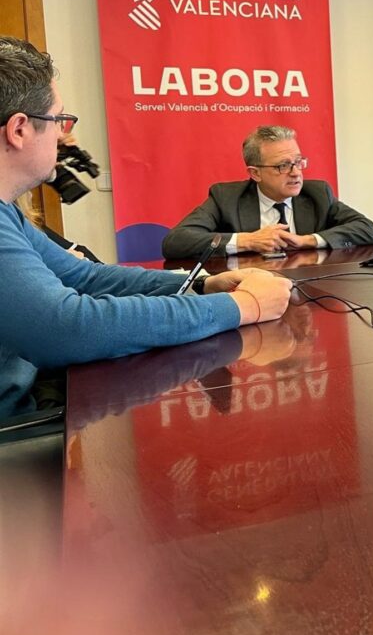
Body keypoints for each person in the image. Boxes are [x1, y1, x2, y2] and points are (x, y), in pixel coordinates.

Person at [0, 36, 293, 420]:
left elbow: (86, 277)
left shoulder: (8, 212)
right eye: (59, 120)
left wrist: (201, 285)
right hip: (17, 435)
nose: (62, 134)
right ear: (19, 129)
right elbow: (68, 328)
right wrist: (242, 307)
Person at [161, 125, 373, 259]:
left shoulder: (317, 193)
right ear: (255, 173)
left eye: (298, 162)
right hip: (250, 294)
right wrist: (248, 241)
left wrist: (308, 240)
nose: (296, 173)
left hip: (311, 291)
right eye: (283, 166)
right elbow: (176, 242)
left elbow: (366, 229)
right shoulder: (226, 198)